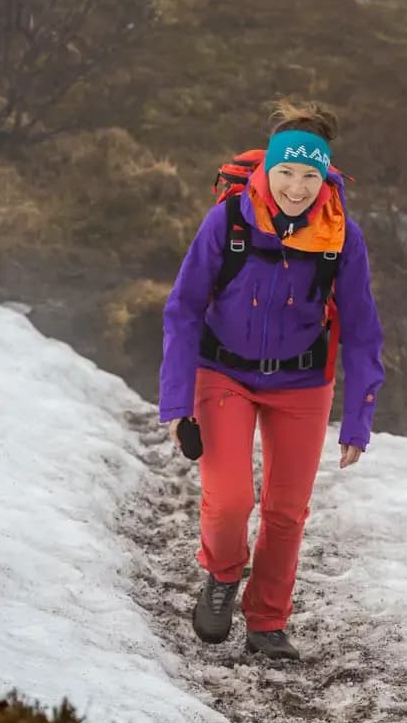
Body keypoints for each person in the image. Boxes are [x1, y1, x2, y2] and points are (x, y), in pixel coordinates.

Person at [157, 99, 385, 661]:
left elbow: (361, 329)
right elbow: (183, 308)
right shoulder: (229, 220)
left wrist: (357, 417)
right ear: (267, 170)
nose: (297, 187)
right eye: (286, 172)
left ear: (326, 176)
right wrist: (175, 402)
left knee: (286, 511)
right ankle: (221, 576)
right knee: (230, 500)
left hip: (303, 384)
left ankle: (267, 622)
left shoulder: (340, 236)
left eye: (310, 175)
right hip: (223, 371)